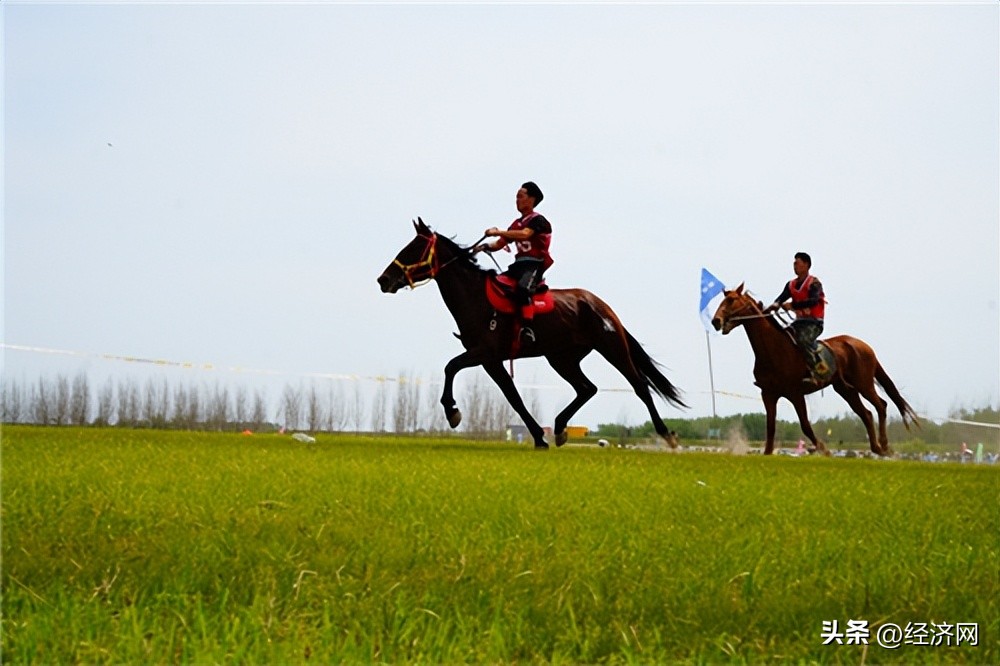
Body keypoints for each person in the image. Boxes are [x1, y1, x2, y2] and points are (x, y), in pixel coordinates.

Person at [477, 181, 553, 340]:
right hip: (517, 266)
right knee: (495, 285)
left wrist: (498, 232)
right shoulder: (516, 224)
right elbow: (500, 244)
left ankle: (527, 328)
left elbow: (525, 234)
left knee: (523, 288)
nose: (517, 200)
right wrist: (485, 246)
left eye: (520, 196)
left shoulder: (538, 220)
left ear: (532, 199)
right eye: (516, 197)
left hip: (534, 264)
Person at [764, 252, 827, 382]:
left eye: (797, 263)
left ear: (806, 265)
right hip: (799, 322)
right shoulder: (791, 285)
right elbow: (782, 298)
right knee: (783, 337)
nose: (794, 266)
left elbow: (813, 301)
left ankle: (815, 371)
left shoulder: (814, 283)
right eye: (794, 264)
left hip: (814, 323)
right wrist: (774, 306)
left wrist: (792, 306)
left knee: (803, 340)